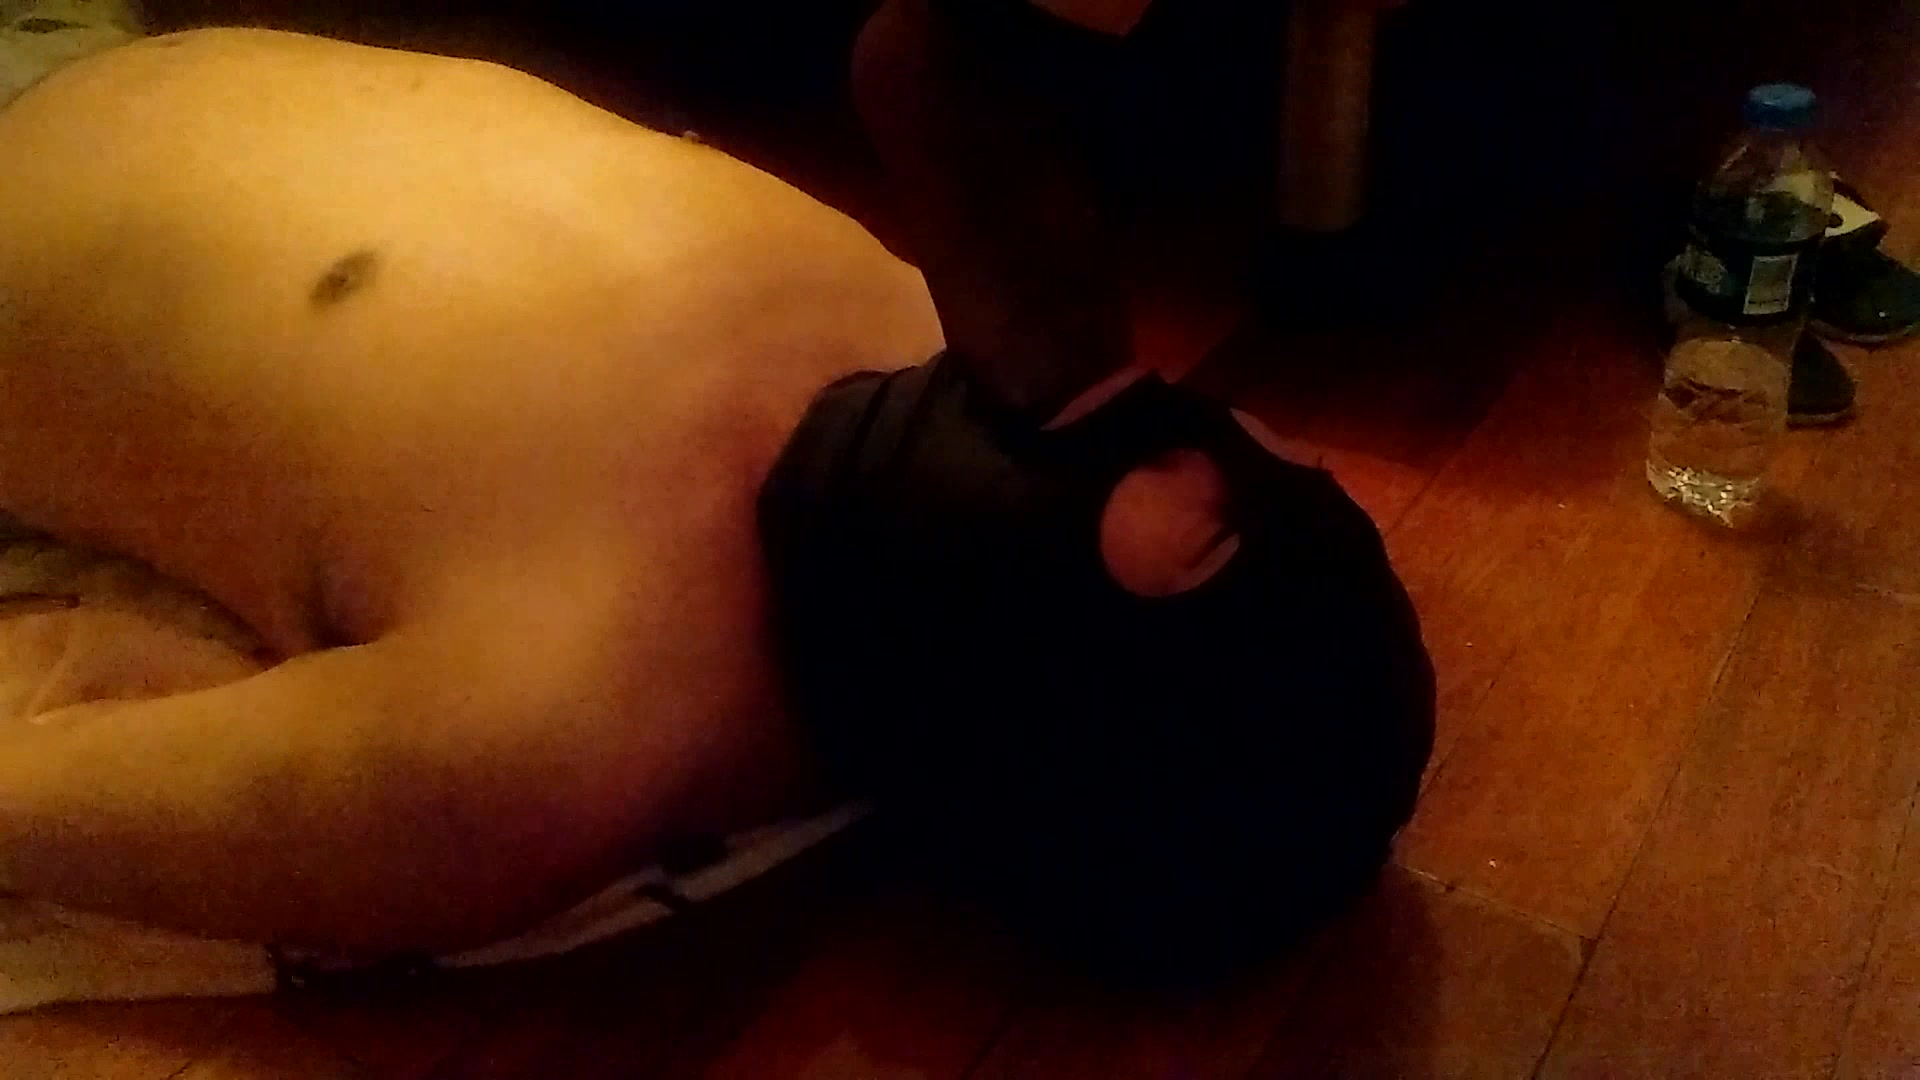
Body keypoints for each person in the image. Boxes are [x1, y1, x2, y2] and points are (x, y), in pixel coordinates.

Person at [0, 19, 1431, 979]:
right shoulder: (948, 343)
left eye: (1208, 513)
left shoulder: (548, 742)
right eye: (1265, 452)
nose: (1213, 425)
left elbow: (37, 789)